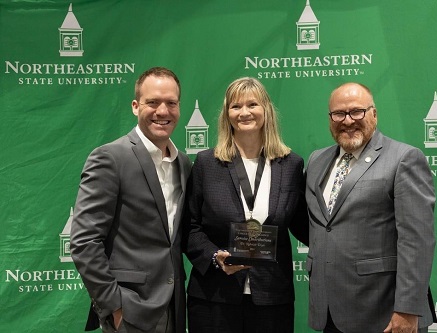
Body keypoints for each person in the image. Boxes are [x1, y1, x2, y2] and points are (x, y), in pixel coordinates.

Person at [305, 82, 436, 333]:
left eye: (357, 111)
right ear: (330, 118)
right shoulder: (316, 161)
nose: (347, 120)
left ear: (374, 113)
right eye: (338, 114)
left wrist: (407, 309)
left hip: (384, 314)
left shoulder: (404, 158)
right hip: (330, 311)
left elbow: (416, 241)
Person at [70, 67, 192, 333]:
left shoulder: (183, 163)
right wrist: (114, 306)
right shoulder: (110, 158)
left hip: (175, 309)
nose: (163, 111)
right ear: (136, 106)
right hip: (130, 310)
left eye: (171, 103)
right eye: (153, 102)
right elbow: (83, 241)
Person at [184, 77, 308, 333]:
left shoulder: (291, 164)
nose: (244, 112)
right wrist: (215, 257)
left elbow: (304, 225)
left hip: (272, 298)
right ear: (226, 114)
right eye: (235, 106)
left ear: (267, 110)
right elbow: (189, 226)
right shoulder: (206, 163)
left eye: (252, 104)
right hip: (214, 296)